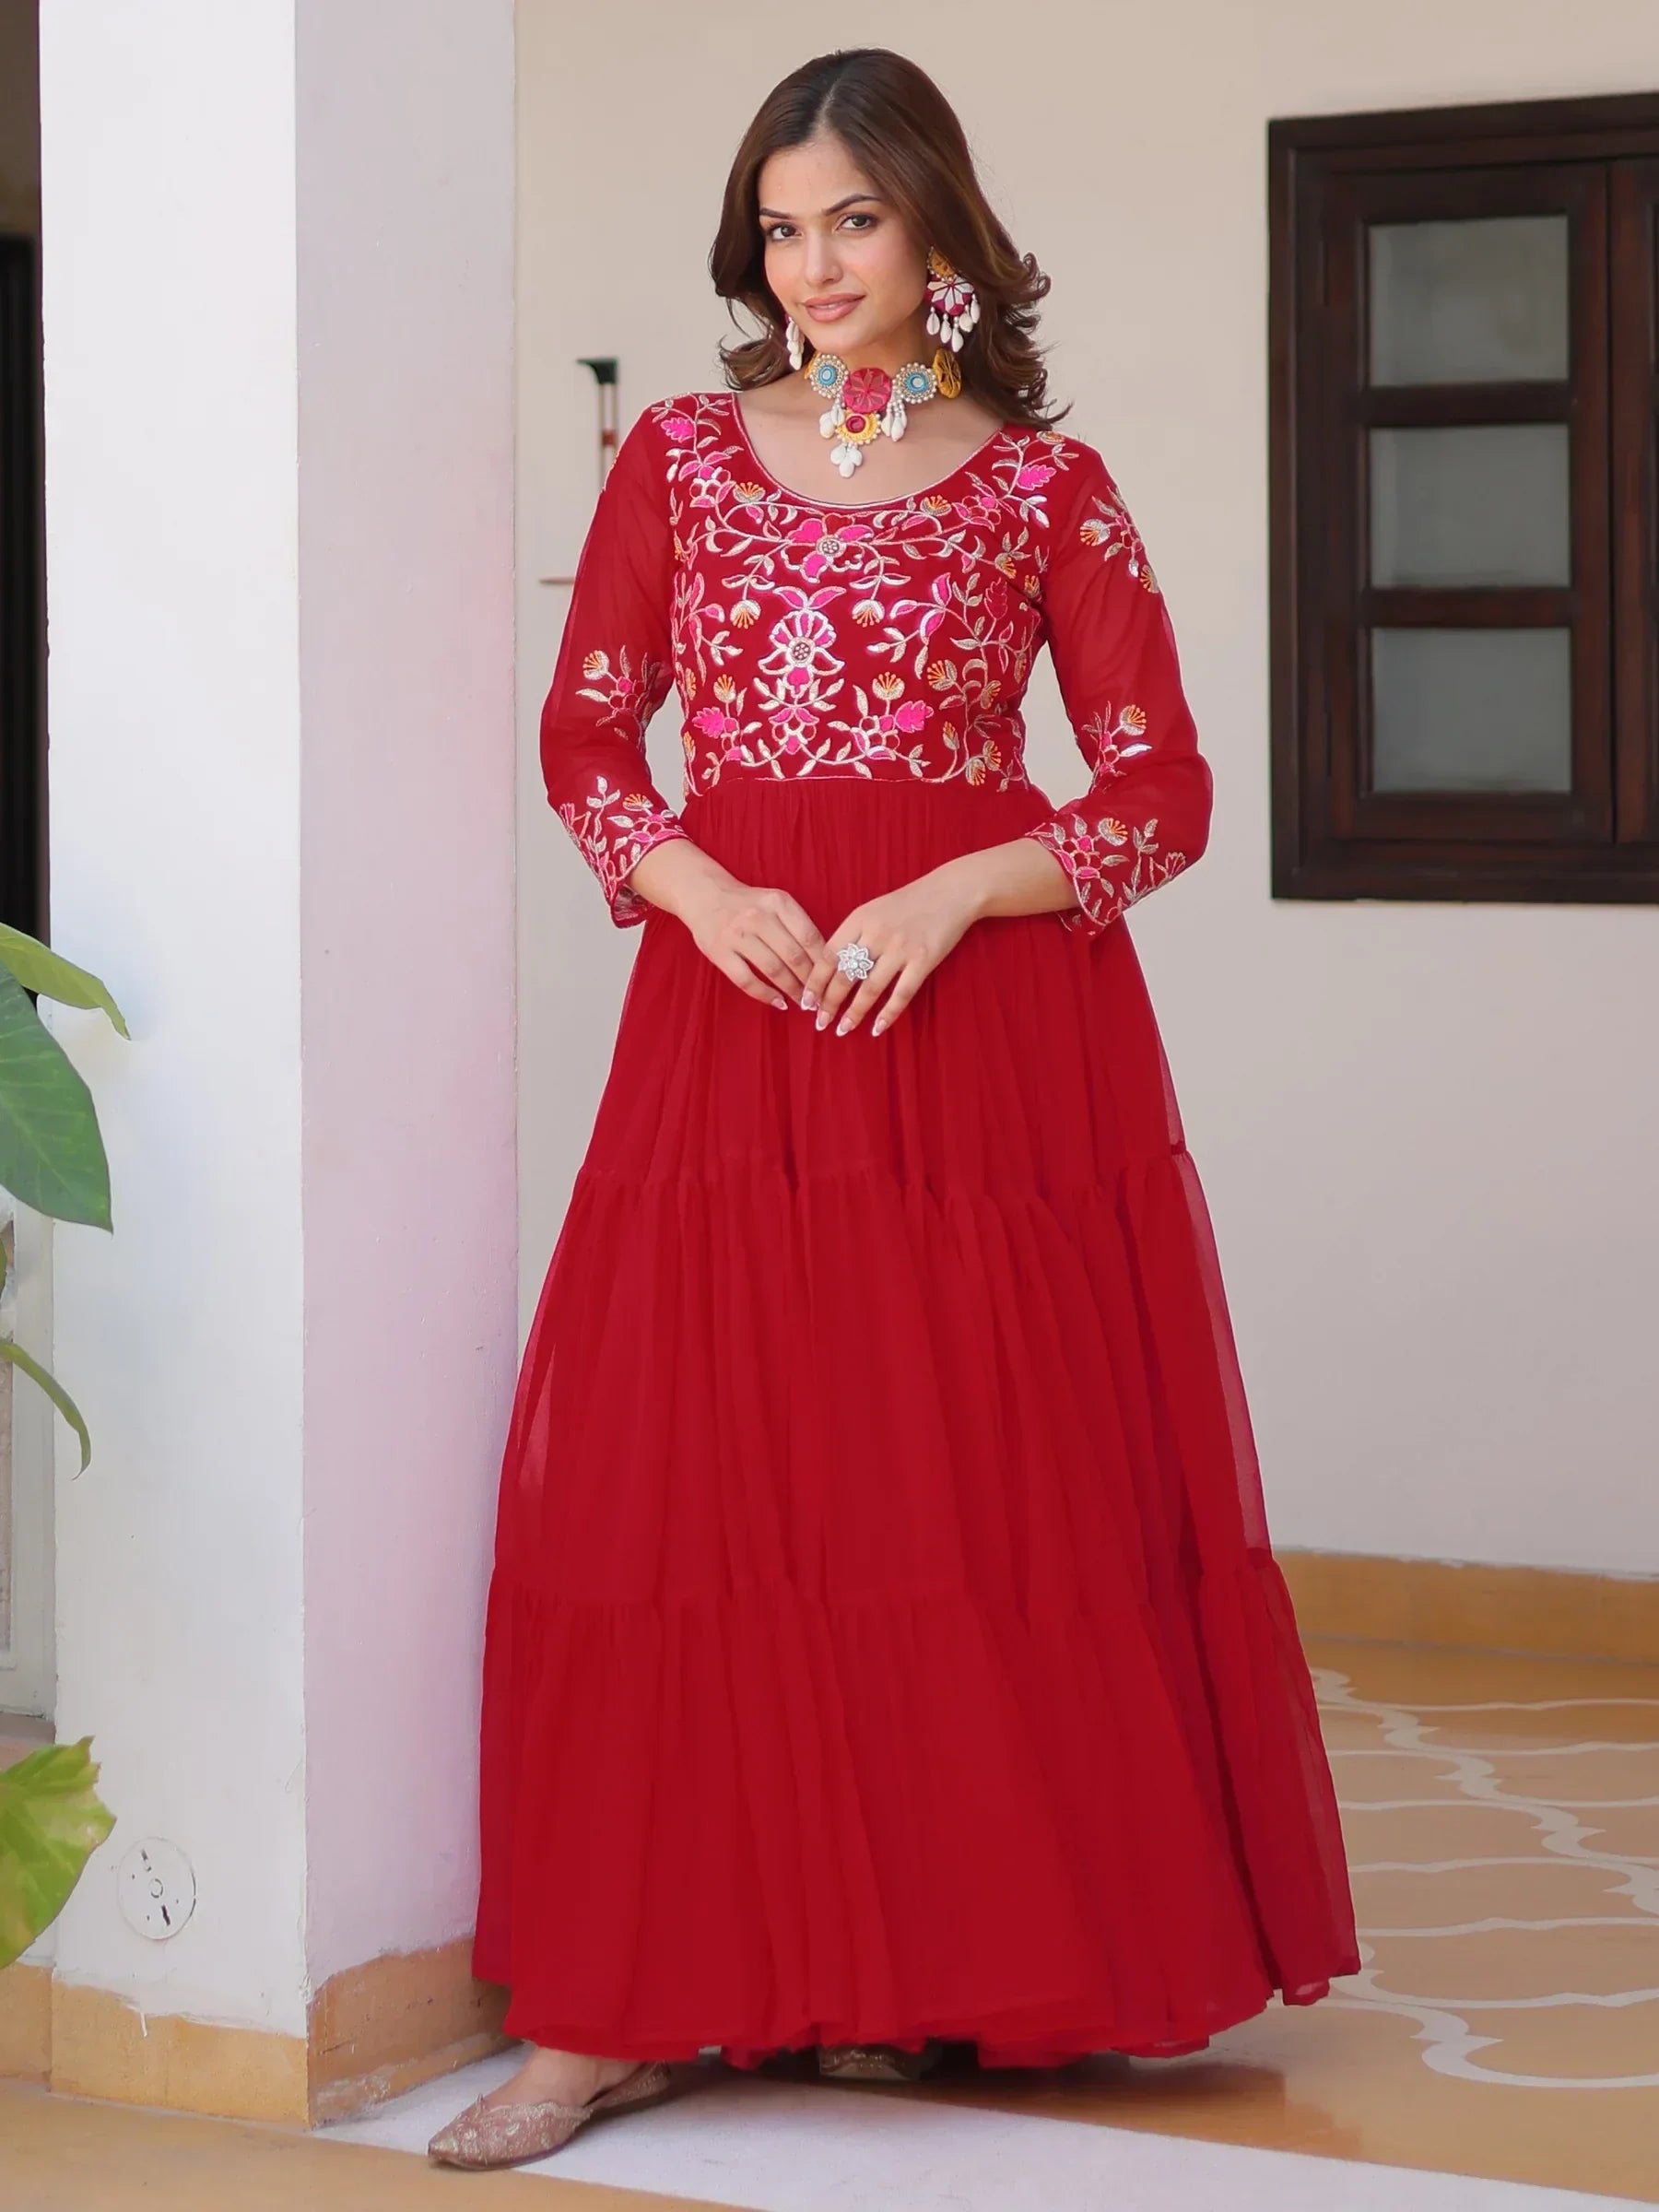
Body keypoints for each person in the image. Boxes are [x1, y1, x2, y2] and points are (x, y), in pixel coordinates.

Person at [428, 44, 1361, 2174]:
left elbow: (1162, 791)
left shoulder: (1044, 485)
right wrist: (692, 883)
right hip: (737, 1013)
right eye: (780, 224)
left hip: (972, 1045)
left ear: (938, 227)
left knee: (944, 1494)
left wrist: (953, 883)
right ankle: (610, 2012)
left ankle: (907, 1980)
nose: (815, 262)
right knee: (692, 1485)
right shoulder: (678, 455)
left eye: (853, 216)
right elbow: (588, 740)